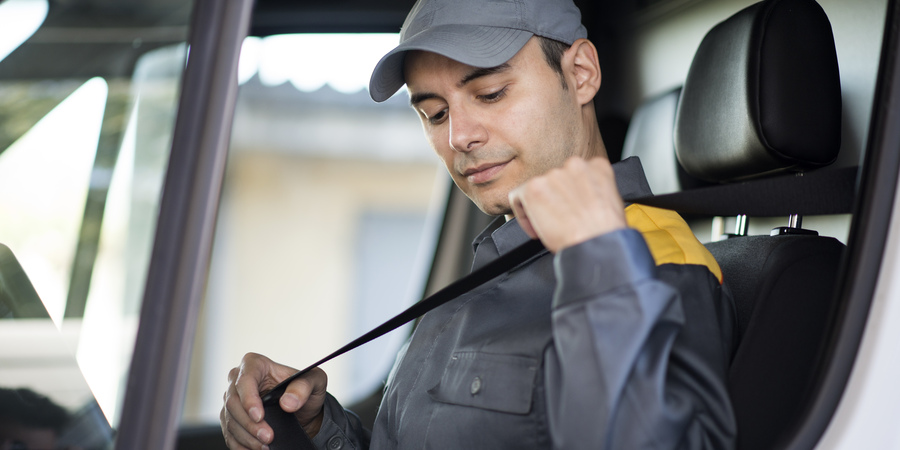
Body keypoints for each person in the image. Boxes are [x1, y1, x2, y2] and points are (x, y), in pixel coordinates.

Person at [221, 0, 737, 448]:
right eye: (435, 114)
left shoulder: (651, 259)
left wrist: (597, 262)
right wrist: (315, 430)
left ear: (580, 74)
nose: (458, 137)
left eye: (490, 93)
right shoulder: (500, 258)